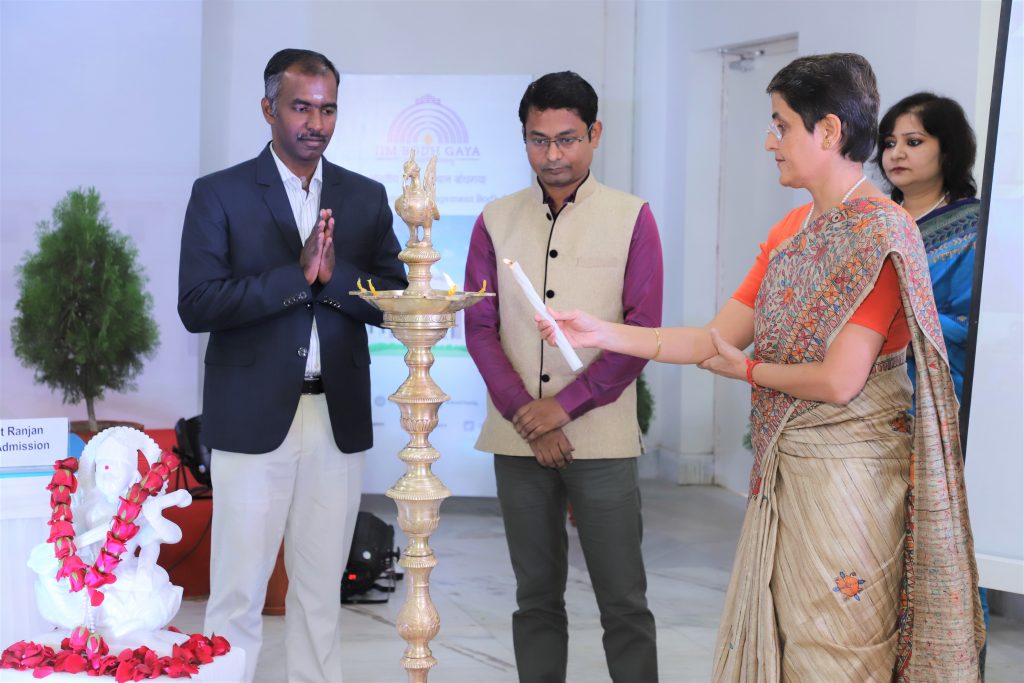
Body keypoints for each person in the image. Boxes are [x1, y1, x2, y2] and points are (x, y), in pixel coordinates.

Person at [538, 54, 984, 682]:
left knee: (841, 646)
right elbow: (713, 339)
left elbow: (840, 380)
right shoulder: (791, 230)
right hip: (788, 472)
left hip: (852, 478)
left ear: (828, 131)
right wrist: (603, 332)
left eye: (781, 125)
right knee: (790, 637)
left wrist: (748, 373)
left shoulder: (881, 234)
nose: (769, 141)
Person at [177, 48, 406, 683]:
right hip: (251, 419)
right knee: (238, 592)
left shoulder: (365, 196)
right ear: (268, 108)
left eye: (327, 109)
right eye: (301, 107)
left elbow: (395, 301)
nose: (316, 123)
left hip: (336, 418)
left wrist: (334, 279)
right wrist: (294, 277)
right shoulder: (219, 193)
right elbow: (197, 305)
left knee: (320, 591)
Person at [464, 71, 663, 683]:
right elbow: (480, 328)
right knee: (535, 596)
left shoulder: (632, 218)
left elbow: (641, 333)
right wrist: (530, 415)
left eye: (567, 139)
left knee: (623, 599)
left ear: (594, 134)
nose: (553, 155)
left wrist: (564, 407)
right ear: (524, 138)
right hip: (518, 440)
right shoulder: (495, 219)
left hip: (601, 440)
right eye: (538, 139)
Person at [877, 90, 988, 669]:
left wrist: (905, 312)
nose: (896, 153)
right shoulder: (873, 220)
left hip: (942, 405)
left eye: (914, 141)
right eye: (889, 142)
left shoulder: (976, 227)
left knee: (941, 552)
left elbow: (979, 323)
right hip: (868, 404)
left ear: (948, 150)